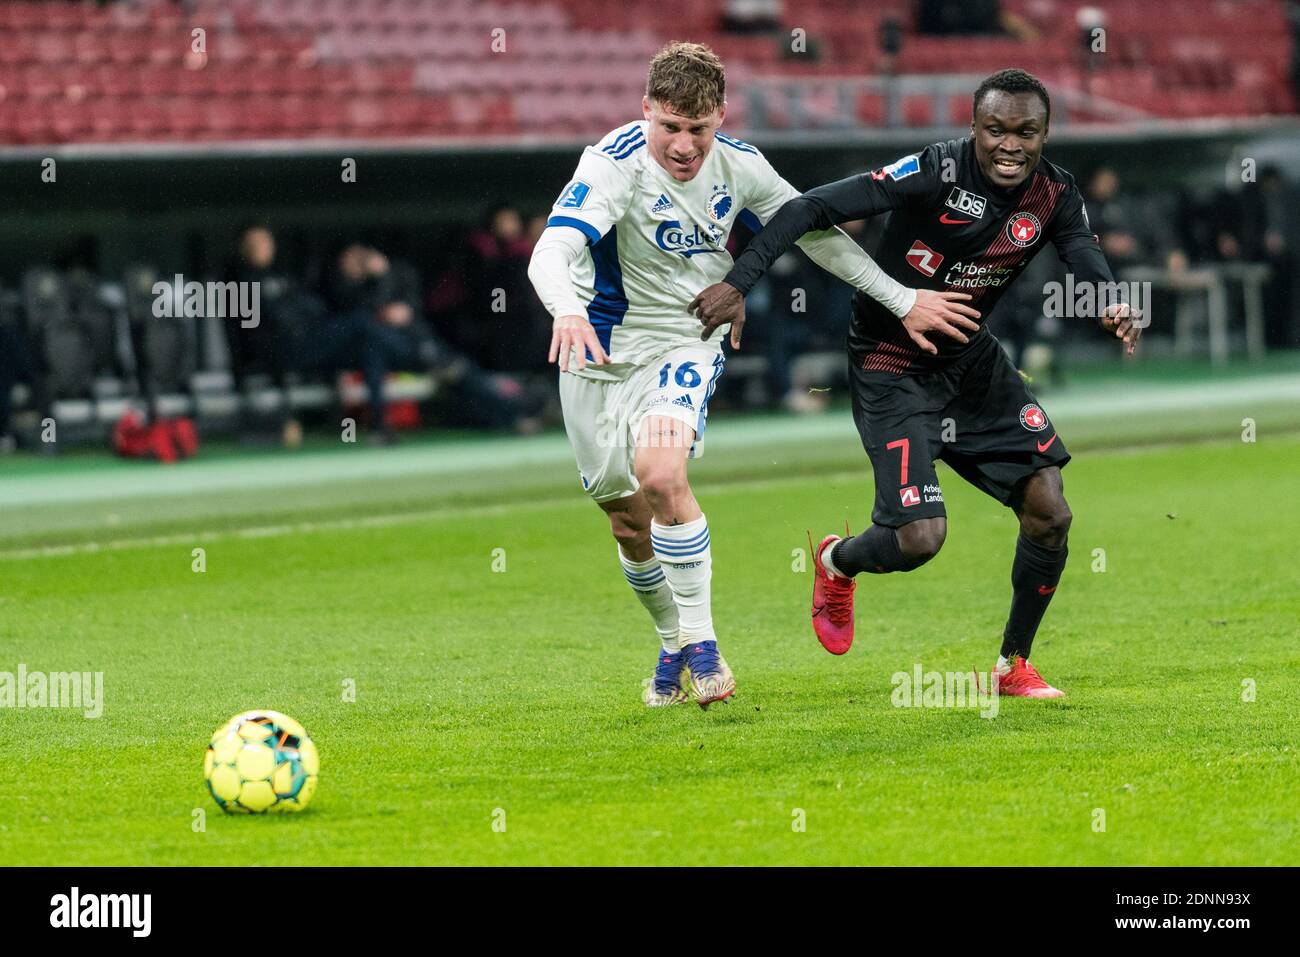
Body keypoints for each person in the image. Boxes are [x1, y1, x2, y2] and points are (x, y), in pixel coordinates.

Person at [527, 41, 975, 708]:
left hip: (686, 339)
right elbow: (550, 251)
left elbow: (815, 232)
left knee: (661, 474)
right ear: (645, 109)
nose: (683, 145)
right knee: (626, 521)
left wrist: (902, 298)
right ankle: (673, 638)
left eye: (698, 129)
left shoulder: (740, 167)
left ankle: (705, 650)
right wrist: (566, 310)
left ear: (721, 117)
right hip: (596, 352)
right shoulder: (611, 166)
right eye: (670, 126)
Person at [692, 69, 1142, 699]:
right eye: (995, 130)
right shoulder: (936, 171)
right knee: (919, 540)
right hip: (889, 363)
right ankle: (836, 561)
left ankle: (1013, 665)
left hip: (972, 362)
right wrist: (740, 280)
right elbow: (808, 207)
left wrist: (1111, 297)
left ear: (1045, 133)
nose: (1010, 145)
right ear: (973, 129)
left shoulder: (1056, 192)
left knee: (1050, 512)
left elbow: (1081, 250)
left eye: (1026, 132)